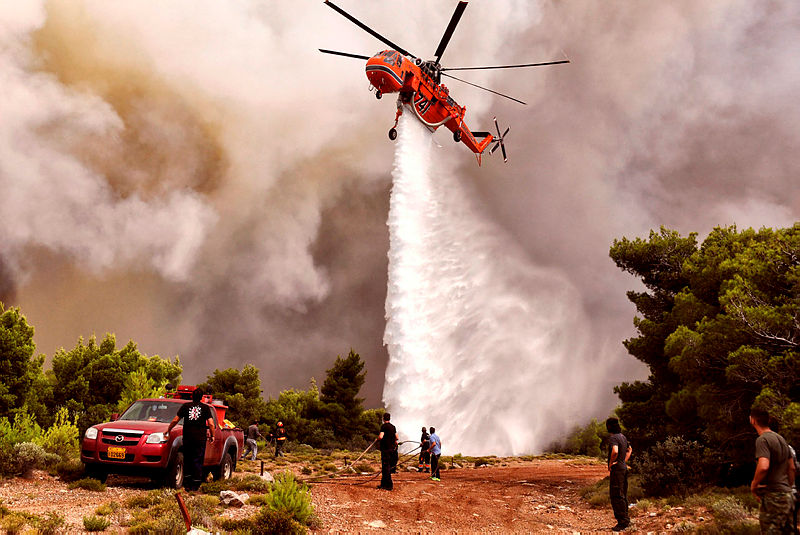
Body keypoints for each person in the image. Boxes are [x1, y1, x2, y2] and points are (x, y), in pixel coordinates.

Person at [749, 407, 795, 534]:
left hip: (773, 496)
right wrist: (788, 487)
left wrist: (754, 485)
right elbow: (791, 467)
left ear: (753, 420)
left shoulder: (762, 440)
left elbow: (764, 466)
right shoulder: (781, 439)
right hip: (787, 496)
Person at [165, 388, 215, 491]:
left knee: (187, 459)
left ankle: (187, 484)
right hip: (200, 438)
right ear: (202, 397)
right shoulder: (205, 408)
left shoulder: (185, 406)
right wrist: (212, 435)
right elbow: (211, 423)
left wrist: (168, 429)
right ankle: (195, 484)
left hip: (188, 437)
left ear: (192, 396)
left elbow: (175, 420)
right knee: (198, 460)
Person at [606, 417, 632, 532]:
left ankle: (622, 522)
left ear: (609, 426)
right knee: (623, 494)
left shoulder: (613, 438)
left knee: (616, 495)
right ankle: (626, 519)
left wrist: (611, 463)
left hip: (617, 470)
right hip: (623, 469)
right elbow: (630, 450)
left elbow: (615, 451)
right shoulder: (623, 437)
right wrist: (623, 461)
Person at [377, 412, 398, 490]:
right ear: (389, 418)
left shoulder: (384, 427)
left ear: (383, 418)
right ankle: (383, 484)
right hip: (392, 450)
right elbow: (397, 437)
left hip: (385, 449)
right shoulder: (393, 427)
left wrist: (377, 439)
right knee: (387, 466)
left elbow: (381, 436)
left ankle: (388, 485)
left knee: (385, 467)